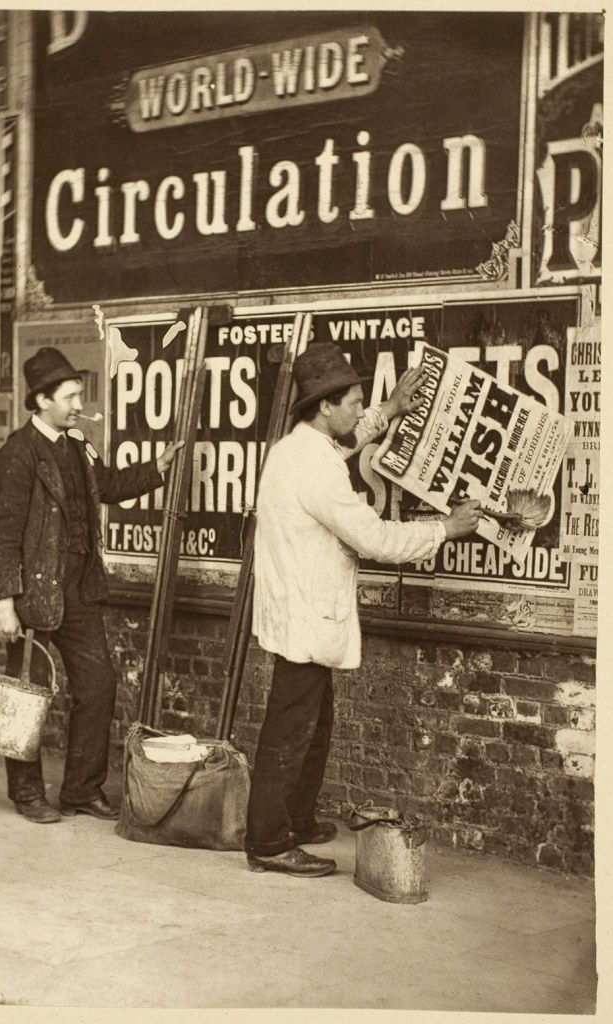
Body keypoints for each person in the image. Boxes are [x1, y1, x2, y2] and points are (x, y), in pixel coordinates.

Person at [245, 342, 482, 876]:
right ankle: (266, 842)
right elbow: (373, 537)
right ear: (325, 407)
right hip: (305, 613)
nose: (359, 409)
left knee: (315, 723)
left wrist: (392, 409)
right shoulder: (315, 468)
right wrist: (444, 529)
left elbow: (347, 443)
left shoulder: (303, 447)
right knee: (290, 730)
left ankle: (296, 819)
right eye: (352, 401)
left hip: (301, 609)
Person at [0, 347, 183, 824]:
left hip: (78, 590)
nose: (78, 404)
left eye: (77, 395)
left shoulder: (76, 446)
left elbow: (108, 485)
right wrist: (4, 603)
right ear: (42, 399)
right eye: (70, 396)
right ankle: (27, 792)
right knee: (25, 697)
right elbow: (3, 534)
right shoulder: (17, 454)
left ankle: (80, 790)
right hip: (32, 594)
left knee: (98, 688)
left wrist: (157, 467)